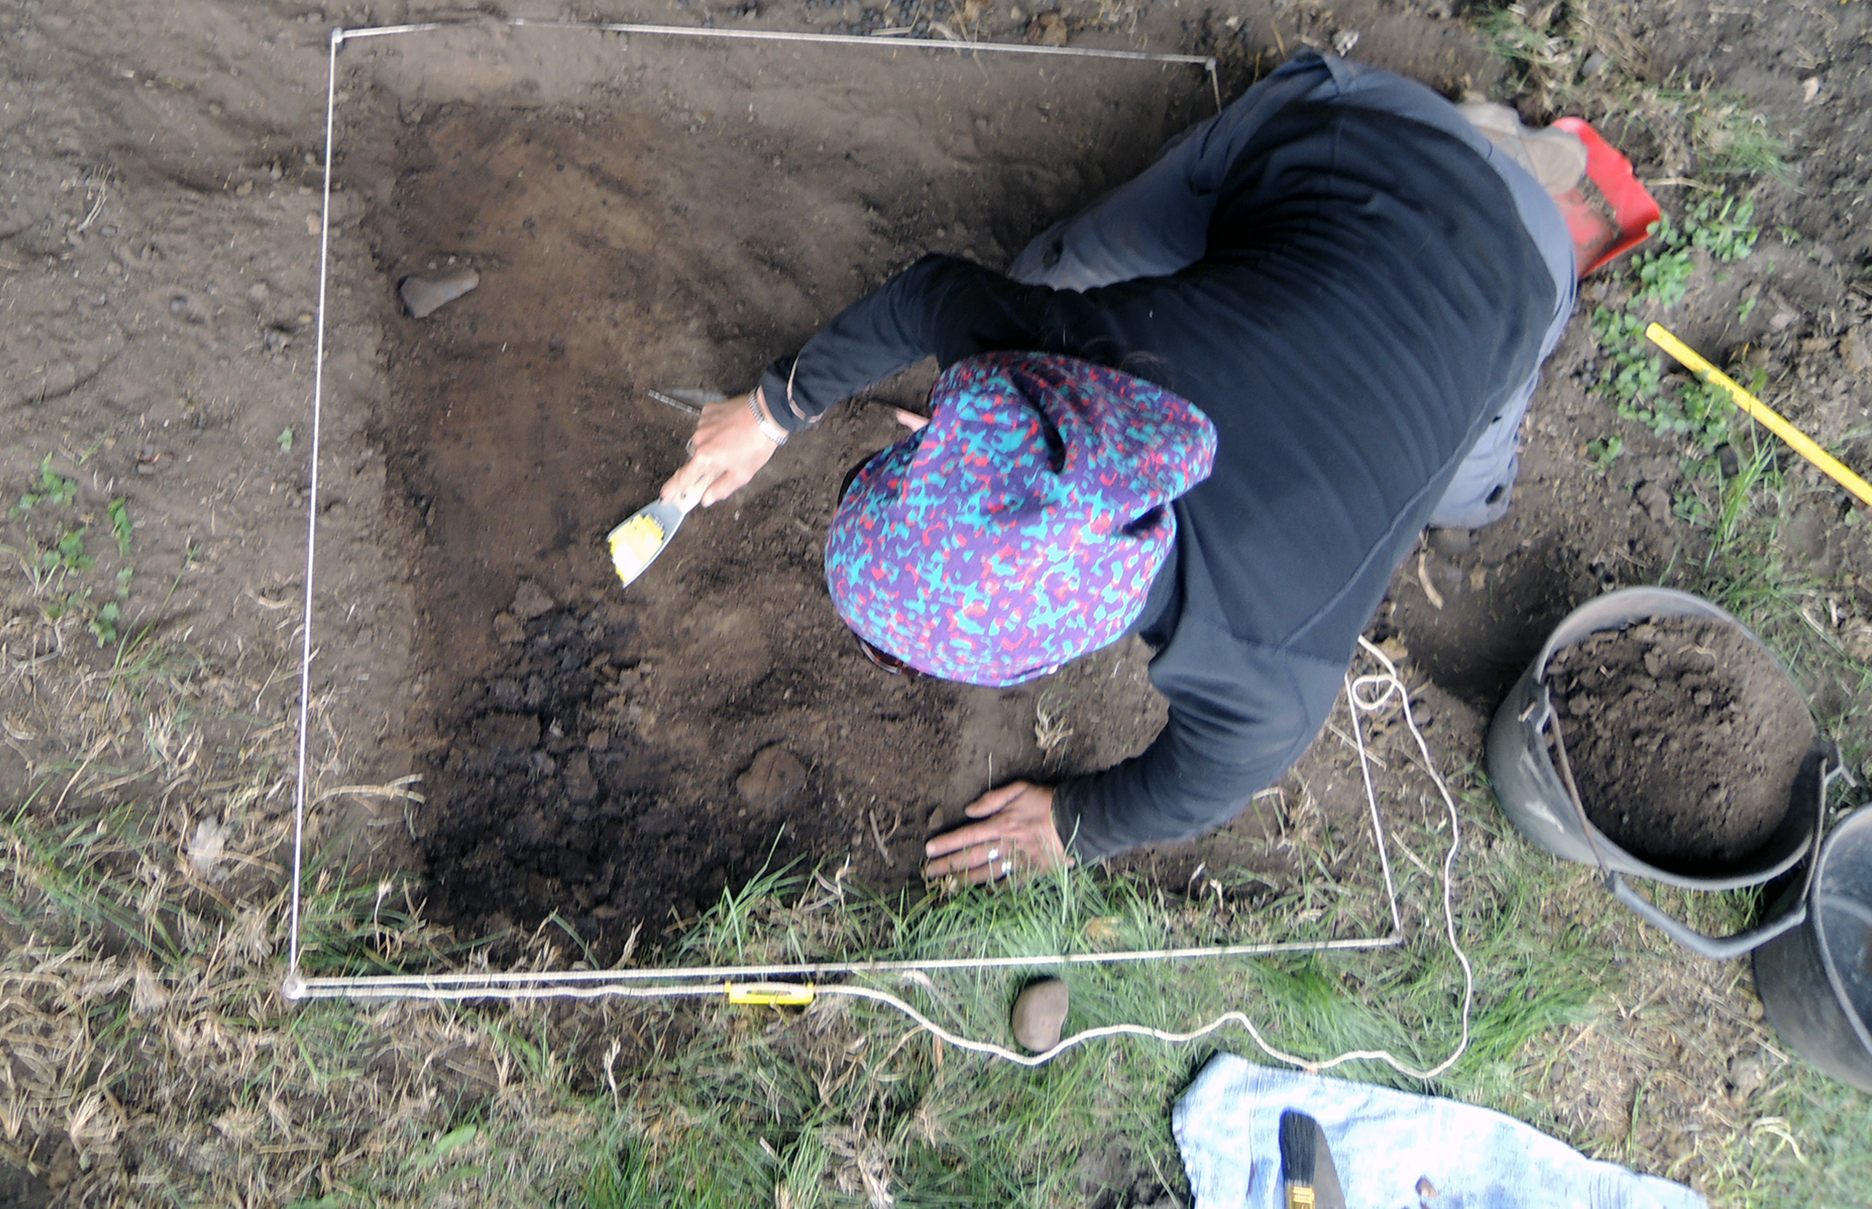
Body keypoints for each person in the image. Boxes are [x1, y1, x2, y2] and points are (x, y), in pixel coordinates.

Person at [660, 49, 1577, 884]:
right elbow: (927, 295)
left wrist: (1076, 824)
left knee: (1468, 485)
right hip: (1381, 176)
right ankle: (1496, 149)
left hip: (1491, 244)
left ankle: (1502, 151)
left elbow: (1214, 778)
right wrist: (771, 410)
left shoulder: (1265, 658)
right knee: (1055, 269)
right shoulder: (1060, 347)